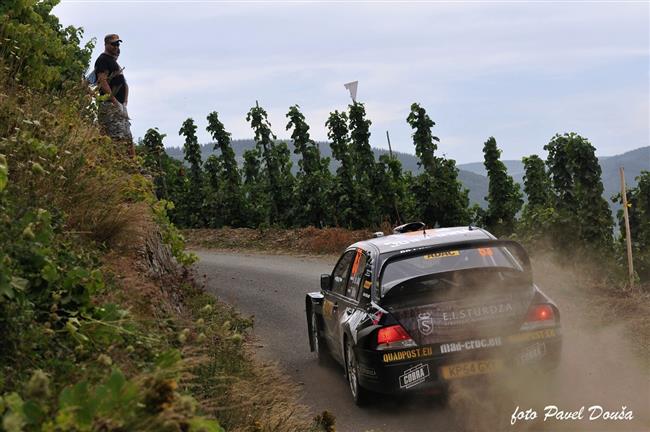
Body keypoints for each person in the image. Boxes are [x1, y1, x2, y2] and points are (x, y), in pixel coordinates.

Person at [94, 34, 135, 157]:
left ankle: (132, 165)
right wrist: (113, 100)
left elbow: (124, 83)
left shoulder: (114, 63)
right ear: (106, 45)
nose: (116, 47)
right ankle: (119, 163)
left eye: (118, 44)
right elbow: (102, 80)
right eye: (113, 44)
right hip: (110, 106)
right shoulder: (103, 60)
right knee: (116, 137)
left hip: (120, 105)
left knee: (127, 137)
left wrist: (125, 101)